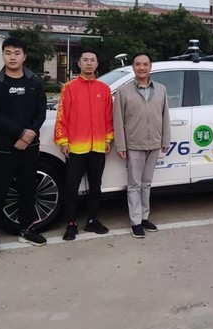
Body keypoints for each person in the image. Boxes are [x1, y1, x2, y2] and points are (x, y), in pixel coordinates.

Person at [0, 37, 48, 258]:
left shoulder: (34, 82)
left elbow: (41, 113)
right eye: (8, 53)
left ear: (24, 56)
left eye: (17, 53)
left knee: (28, 189)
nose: (12, 57)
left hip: (29, 147)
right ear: (3, 55)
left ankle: (27, 228)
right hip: (2, 148)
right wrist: (20, 133)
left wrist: (28, 135)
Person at [54, 50, 113, 241]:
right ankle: (71, 223)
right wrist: (63, 141)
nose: (89, 63)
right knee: (71, 187)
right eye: (85, 60)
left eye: (92, 60)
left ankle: (92, 220)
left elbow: (108, 117)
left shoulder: (104, 89)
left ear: (97, 64)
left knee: (96, 186)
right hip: (75, 147)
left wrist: (108, 139)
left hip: (98, 146)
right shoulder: (69, 88)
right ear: (79, 63)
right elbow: (62, 115)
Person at [113, 52, 171, 238]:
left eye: (145, 64)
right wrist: (121, 145)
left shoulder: (161, 89)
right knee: (134, 184)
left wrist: (165, 140)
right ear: (133, 67)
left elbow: (165, 116)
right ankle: (136, 221)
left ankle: (145, 217)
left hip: (154, 143)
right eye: (138, 64)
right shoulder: (123, 91)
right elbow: (118, 119)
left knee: (146, 184)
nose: (142, 67)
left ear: (150, 67)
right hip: (134, 144)